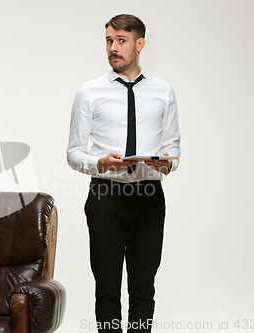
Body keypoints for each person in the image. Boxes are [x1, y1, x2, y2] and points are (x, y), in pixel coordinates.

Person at [67, 14, 180, 333]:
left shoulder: (164, 91)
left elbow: (173, 145)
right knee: (107, 289)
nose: (113, 48)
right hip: (106, 196)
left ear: (139, 44)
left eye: (121, 41)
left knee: (144, 289)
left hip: (148, 196)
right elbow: (73, 152)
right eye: (108, 41)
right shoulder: (89, 91)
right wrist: (100, 163)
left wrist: (167, 162)